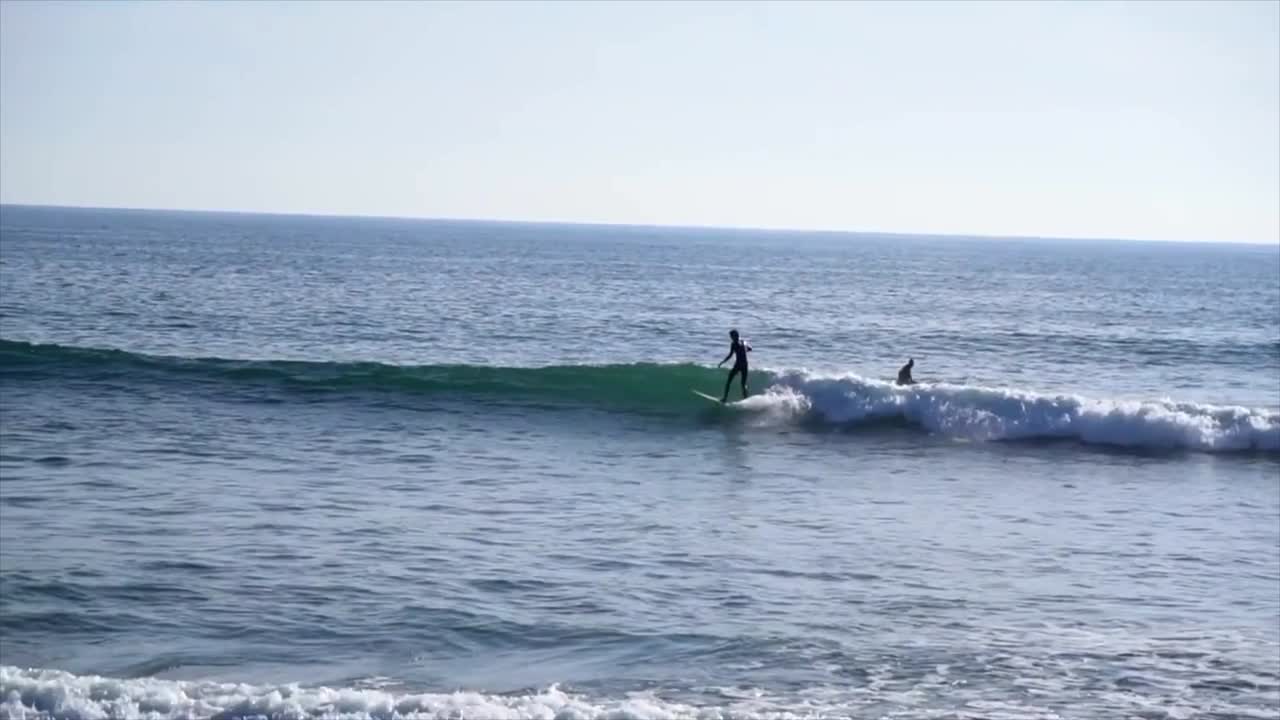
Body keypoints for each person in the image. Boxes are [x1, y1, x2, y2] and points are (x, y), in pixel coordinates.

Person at [717, 329, 752, 402]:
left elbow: (730, 355)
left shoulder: (733, 344)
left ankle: (725, 398)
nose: (731, 338)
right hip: (745, 364)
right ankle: (746, 400)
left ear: (734, 336)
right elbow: (750, 348)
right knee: (743, 384)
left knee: (729, 381)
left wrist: (722, 362)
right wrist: (744, 350)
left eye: (731, 336)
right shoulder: (743, 341)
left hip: (738, 364)